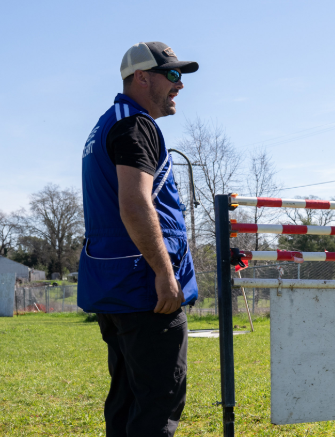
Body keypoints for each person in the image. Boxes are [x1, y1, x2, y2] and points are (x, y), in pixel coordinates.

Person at [78, 42, 200, 436]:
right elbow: (134, 204)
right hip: (145, 288)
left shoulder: (108, 123)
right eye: (173, 74)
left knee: (127, 400)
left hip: (117, 284)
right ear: (142, 77)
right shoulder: (136, 125)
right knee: (158, 402)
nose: (179, 85)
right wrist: (164, 273)